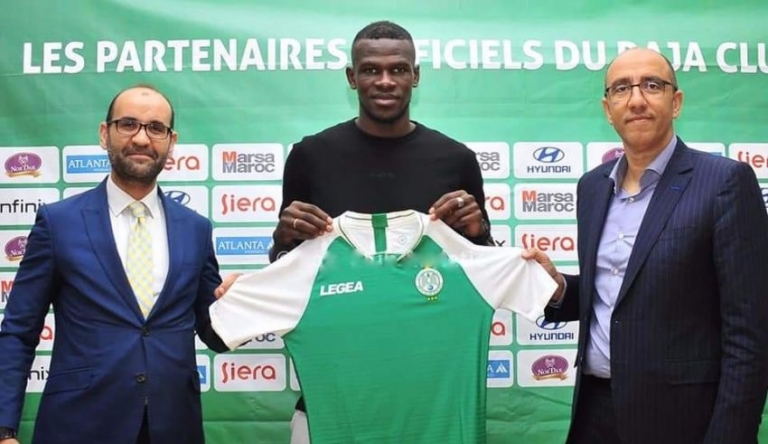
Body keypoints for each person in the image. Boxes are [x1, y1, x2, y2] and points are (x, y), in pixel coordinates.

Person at [216, 20, 493, 444]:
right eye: (370, 70)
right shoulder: (310, 157)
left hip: (431, 408)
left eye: (398, 69)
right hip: (332, 407)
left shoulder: (456, 160)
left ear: (416, 75)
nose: (385, 81)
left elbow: (481, 267)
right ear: (351, 77)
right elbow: (291, 268)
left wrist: (480, 234)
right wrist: (282, 240)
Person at [524, 48, 768, 443]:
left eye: (652, 85)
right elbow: (618, 296)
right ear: (608, 109)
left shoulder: (724, 182)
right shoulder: (592, 186)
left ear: (676, 102)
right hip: (595, 413)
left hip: (682, 420)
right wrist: (561, 287)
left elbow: (749, 333)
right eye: (622, 89)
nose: (636, 99)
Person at [0, 85, 228, 444]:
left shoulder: (196, 229)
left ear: (171, 142)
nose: (142, 138)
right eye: (128, 124)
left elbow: (213, 331)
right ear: (105, 133)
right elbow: (19, 330)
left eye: (156, 128)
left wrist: (236, 305)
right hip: (79, 425)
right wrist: (4, 429)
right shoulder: (59, 223)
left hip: (173, 426)